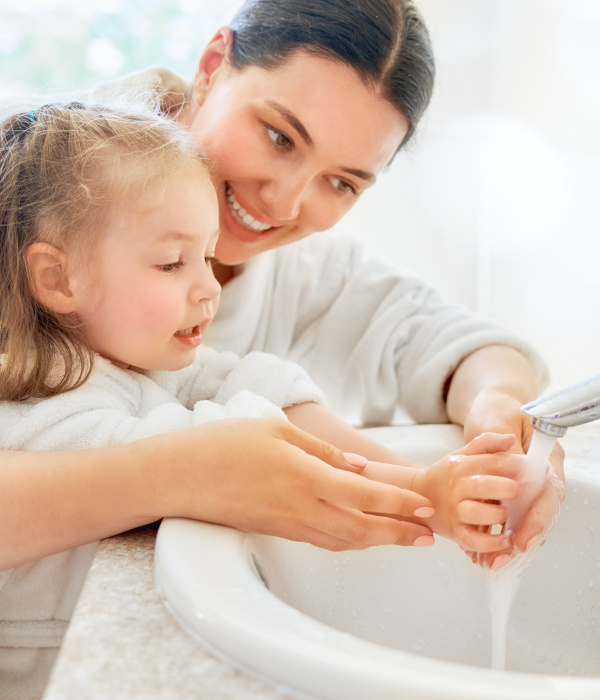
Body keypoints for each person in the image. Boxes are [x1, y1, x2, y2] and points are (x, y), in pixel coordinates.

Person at [0, 0, 563, 570]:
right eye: (278, 136)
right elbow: (219, 444)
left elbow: (455, 346)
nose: (284, 202)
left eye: (341, 183)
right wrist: (175, 473)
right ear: (213, 63)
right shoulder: (26, 200)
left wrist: (496, 427)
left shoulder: (309, 274)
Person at [0, 100, 524, 697]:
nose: (206, 288)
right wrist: (414, 497)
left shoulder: (136, 358)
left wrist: (423, 484)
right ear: (57, 279)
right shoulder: (41, 406)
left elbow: (256, 386)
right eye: (172, 263)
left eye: (206, 256)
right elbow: (208, 454)